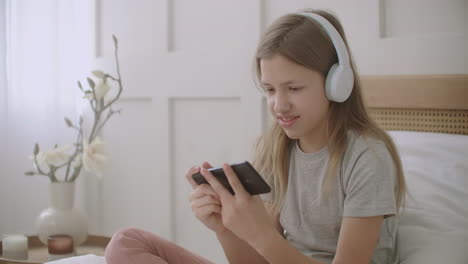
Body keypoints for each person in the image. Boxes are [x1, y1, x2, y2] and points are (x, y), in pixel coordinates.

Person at [104, 9, 406, 264]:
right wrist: (225, 228)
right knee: (126, 242)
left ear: (336, 83)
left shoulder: (366, 157)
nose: (279, 105)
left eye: (294, 88)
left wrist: (259, 233)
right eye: (270, 90)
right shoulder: (274, 150)